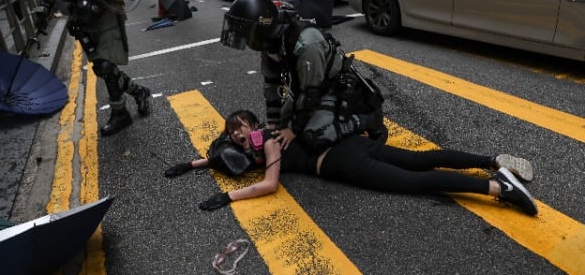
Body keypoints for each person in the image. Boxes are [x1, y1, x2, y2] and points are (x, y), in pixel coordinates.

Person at [164, 110, 538, 216]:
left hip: (343, 161)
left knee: (416, 180)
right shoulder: (266, 139)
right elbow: (227, 158)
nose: (239, 137)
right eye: (234, 134)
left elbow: (268, 185)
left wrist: (229, 199)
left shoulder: (270, 144)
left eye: (242, 129)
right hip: (353, 144)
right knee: (421, 160)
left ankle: (500, 187)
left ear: (253, 126)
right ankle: (493, 163)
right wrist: (193, 165)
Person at [220, 0, 388, 152]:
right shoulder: (270, 42)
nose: (246, 41)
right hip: (303, 85)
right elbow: (271, 83)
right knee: (281, 128)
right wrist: (273, 125)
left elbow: (312, 93)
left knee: (312, 137)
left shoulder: (307, 44)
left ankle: (368, 120)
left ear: (262, 28)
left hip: (330, 87)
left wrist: (293, 130)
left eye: (247, 35)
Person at [34, 0, 150, 136]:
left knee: (106, 63)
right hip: (80, 14)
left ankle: (119, 112)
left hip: (106, 9)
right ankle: (138, 91)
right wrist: (43, 8)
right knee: (101, 67)